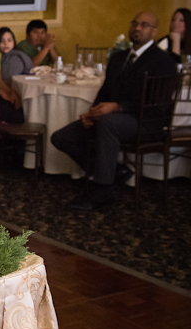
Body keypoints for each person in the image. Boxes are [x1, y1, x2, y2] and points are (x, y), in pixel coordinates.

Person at [50, 11, 177, 212]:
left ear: (154, 31)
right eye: (134, 23)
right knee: (61, 137)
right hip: (114, 118)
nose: (137, 28)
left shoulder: (163, 61)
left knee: (108, 122)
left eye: (144, 25)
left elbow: (157, 104)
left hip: (147, 121)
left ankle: (102, 193)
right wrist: (92, 112)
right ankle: (116, 171)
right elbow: (106, 91)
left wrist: (119, 107)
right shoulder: (118, 58)